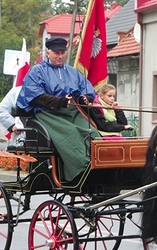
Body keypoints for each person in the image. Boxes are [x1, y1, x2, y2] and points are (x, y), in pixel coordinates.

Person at [16, 37, 100, 182]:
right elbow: (35, 95)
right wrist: (59, 101)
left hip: (71, 112)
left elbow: (86, 89)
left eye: (63, 53)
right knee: (72, 133)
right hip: (46, 113)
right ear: (48, 53)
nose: (60, 56)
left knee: (91, 132)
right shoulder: (37, 71)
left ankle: (100, 165)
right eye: (57, 53)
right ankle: (81, 170)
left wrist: (85, 98)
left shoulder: (73, 72)